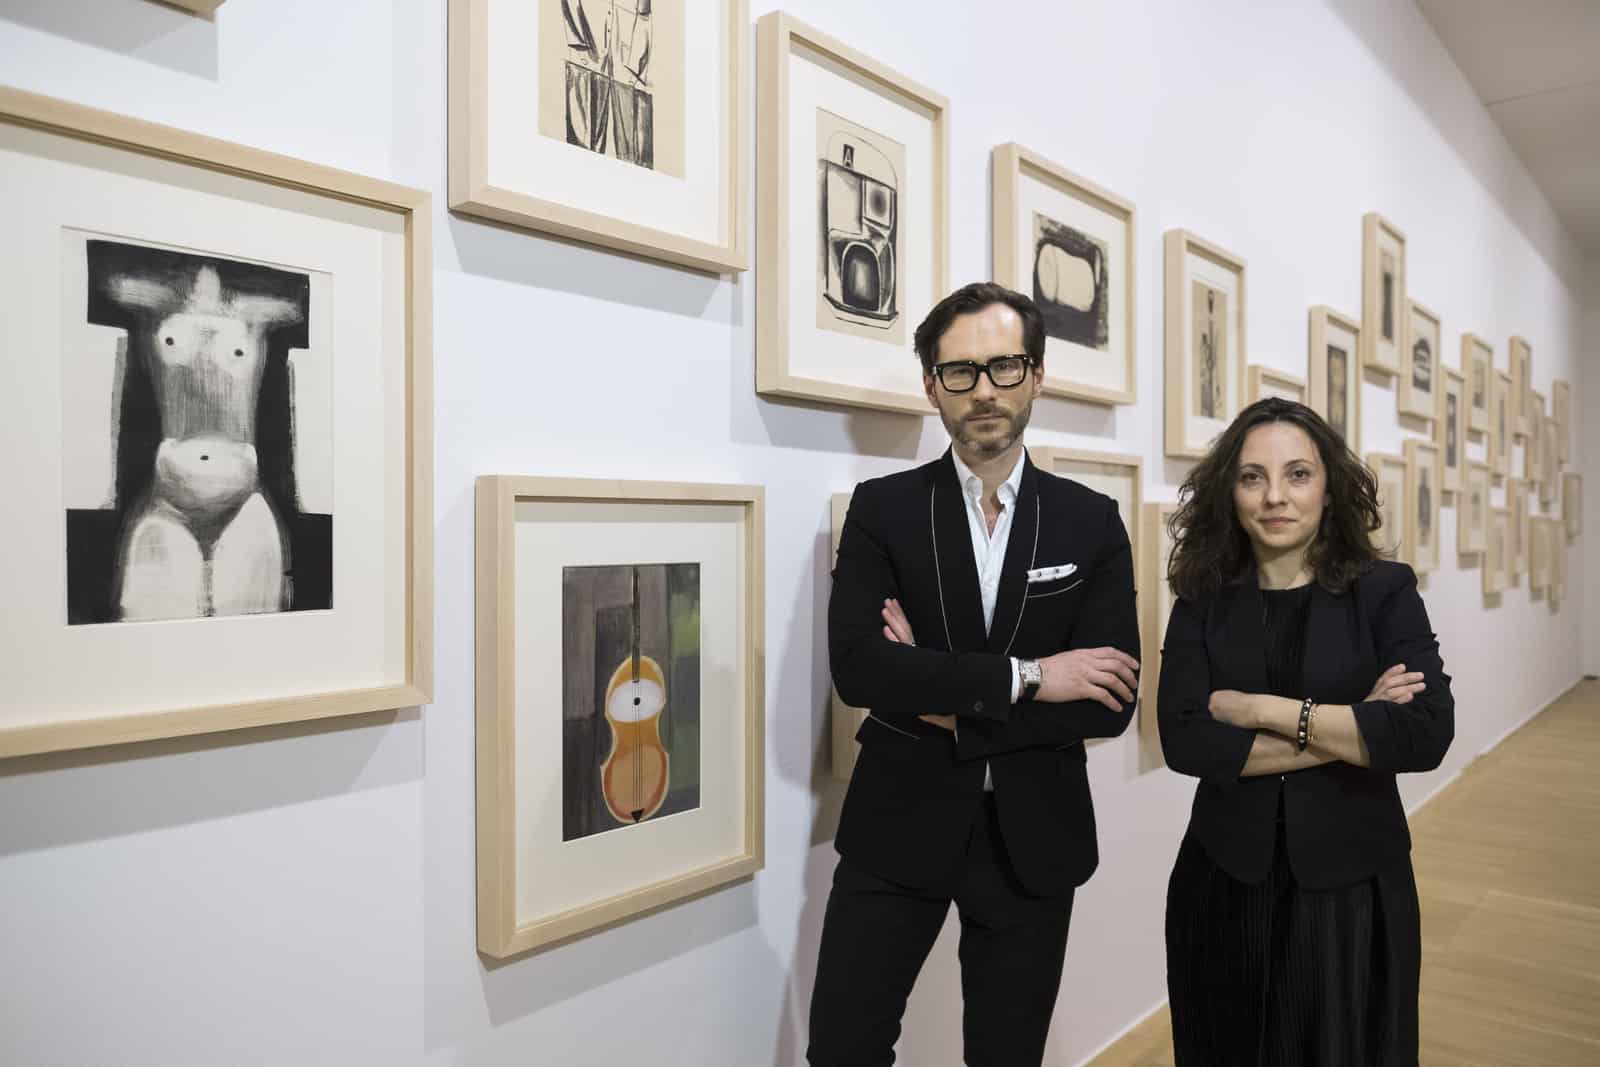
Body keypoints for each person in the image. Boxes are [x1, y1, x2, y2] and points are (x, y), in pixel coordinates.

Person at [807, 282, 1141, 1066]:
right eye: (959, 372)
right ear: (931, 386)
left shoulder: (1089, 521)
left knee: (1007, 1055)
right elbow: (859, 669)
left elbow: (1110, 700)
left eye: (1002, 365)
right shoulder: (882, 510)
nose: (983, 389)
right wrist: (1030, 676)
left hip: (1032, 832)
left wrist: (934, 687)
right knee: (843, 1048)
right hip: (899, 821)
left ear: (1037, 372)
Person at [1157, 397, 1454, 1065]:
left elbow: (1425, 732)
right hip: (1224, 882)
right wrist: (1352, 725)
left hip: (1353, 891)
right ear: (1228, 491)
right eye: (1252, 477)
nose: (1274, 497)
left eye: (1297, 474)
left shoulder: (1384, 591)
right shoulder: (1202, 597)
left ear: (1329, 486)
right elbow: (1185, 741)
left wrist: (1265, 711)